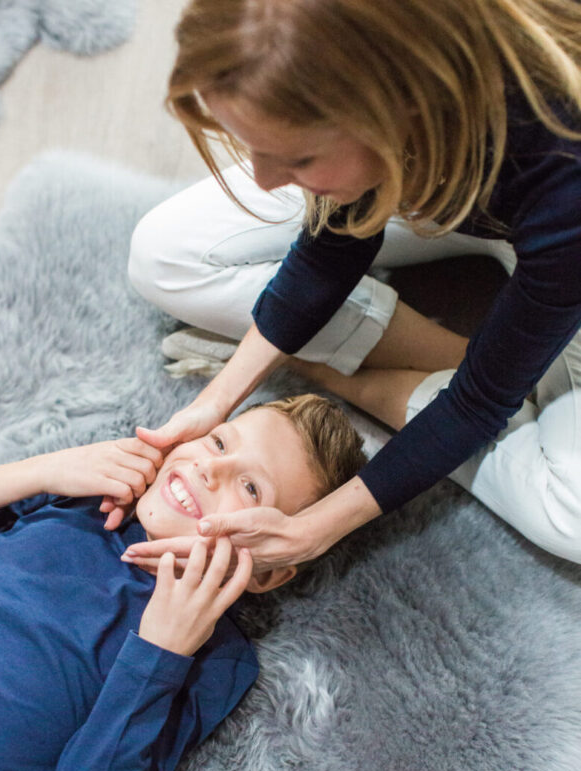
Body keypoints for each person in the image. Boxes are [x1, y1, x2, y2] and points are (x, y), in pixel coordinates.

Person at [122, 0, 581, 567]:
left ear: (393, 117)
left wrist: (316, 528)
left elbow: (479, 404)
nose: (265, 182)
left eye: (296, 158)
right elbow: (328, 251)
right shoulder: (355, 47)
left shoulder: (565, 178)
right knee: (162, 257)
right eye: (253, 146)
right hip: (443, 162)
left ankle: (352, 370)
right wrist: (213, 405)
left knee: (573, 517)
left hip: (552, 221)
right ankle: (475, 354)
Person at [0, 394, 366, 771]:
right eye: (217, 441)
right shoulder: (79, 496)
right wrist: (36, 471)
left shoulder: (212, 657)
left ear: (269, 575)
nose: (211, 468)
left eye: (250, 487)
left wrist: (160, 654)